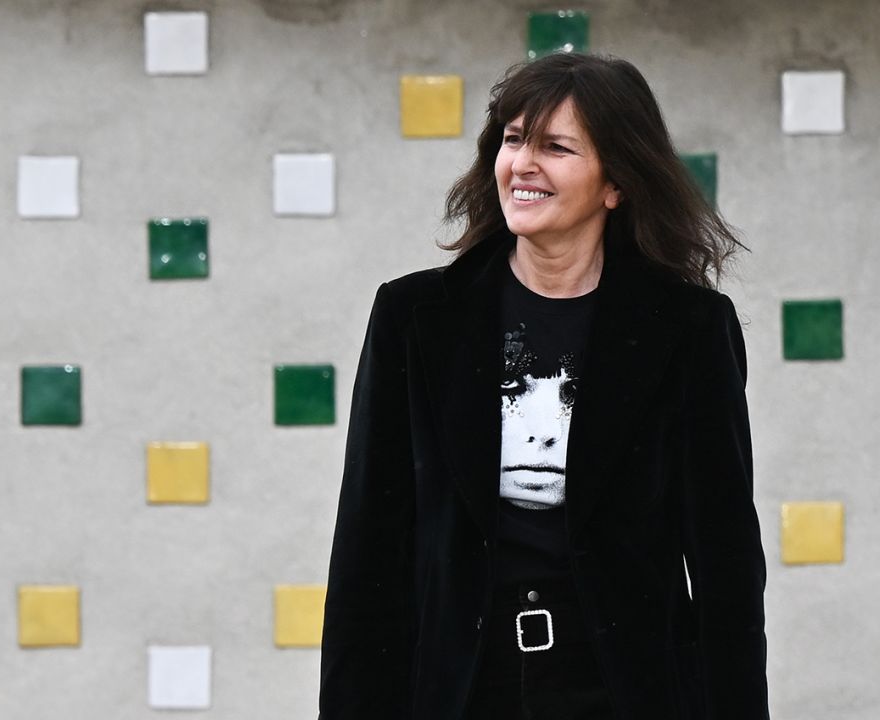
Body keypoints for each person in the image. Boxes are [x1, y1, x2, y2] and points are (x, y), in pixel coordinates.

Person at [319, 52, 768, 720]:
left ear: (615, 181)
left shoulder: (688, 329)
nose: (523, 163)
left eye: (555, 147)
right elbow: (369, 551)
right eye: (512, 139)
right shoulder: (416, 319)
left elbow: (725, 562)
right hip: (461, 689)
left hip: (625, 692)